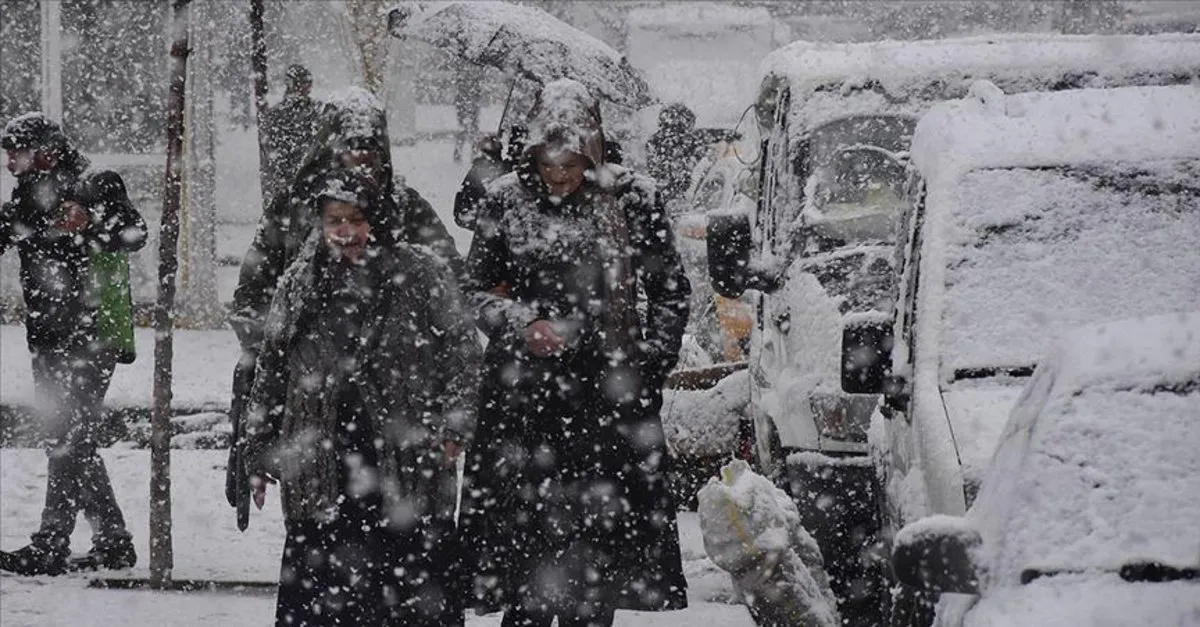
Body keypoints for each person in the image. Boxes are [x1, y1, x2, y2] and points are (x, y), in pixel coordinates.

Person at [459, 79, 691, 627]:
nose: (560, 174)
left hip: (608, 404)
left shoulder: (631, 198)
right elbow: (472, 290)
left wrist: (649, 363)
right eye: (549, 161)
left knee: (597, 566)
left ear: (594, 150)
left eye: (572, 162)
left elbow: (670, 290)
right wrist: (523, 323)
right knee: (526, 564)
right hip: (523, 402)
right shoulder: (506, 200)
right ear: (532, 151)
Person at [242, 167, 479, 626]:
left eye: (356, 218)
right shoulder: (298, 283)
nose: (346, 232)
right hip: (321, 465)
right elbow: (270, 369)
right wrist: (257, 450)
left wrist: (455, 423)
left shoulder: (421, 273)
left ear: (379, 219)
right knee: (326, 598)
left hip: (406, 461)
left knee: (408, 593)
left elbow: (463, 353)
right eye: (335, 220)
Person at [225, 87, 463, 527]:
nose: (361, 164)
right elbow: (250, 298)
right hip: (316, 410)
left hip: (397, 407)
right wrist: (293, 352)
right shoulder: (293, 208)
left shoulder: (407, 208)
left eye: (370, 154)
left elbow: (453, 292)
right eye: (350, 152)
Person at [0, 113, 147, 575]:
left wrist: (89, 223)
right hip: (46, 337)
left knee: (68, 438)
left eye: (15, 154)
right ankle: (114, 542)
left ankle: (50, 544)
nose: (8, 164)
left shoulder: (96, 182)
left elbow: (135, 234)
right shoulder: (27, 195)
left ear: (46, 150)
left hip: (93, 335)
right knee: (68, 438)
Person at [260, 64, 321, 207]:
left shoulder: (317, 111)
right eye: (303, 82)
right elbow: (272, 151)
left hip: (306, 181)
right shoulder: (277, 114)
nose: (307, 87)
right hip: (293, 183)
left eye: (308, 83)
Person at [645, 103, 705, 207]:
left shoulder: (653, 140)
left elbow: (652, 167)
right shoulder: (685, 139)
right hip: (674, 191)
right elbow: (705, 136)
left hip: (658, 191)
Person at [453, 62, 484, 163]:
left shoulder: (464, 71)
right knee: (468, 128)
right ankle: (468, 151)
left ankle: (463, 151)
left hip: (467, 103)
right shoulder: (473, 70)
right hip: (467, 102)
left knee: (467, 128)